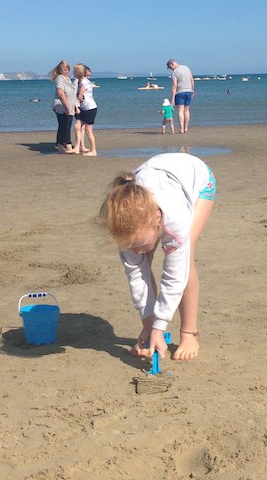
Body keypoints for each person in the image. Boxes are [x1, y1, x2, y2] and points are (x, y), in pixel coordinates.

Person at [98, 153, 216, 361]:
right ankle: (149, 329)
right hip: (158, 178)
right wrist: (149, 325)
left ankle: (189, 332)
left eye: (141, 244)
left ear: (157, 220)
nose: (136, 251)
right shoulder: (124, 228)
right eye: (131, 246)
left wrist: (160, 327)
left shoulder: (175, 222)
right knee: (142, 264)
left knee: (185, 259)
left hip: (197, 180)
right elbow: (137, 277)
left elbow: (173, 278)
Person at [49, 60, 78, 154]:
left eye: (67, 68)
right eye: (63, 68)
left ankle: (63, 144)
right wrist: (66, 107)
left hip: (70, 105)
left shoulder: (68, 79)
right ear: (60, 70)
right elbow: (60, 93)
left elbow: (73, 92)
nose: (65, 70)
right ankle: (65, 145)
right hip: (61, 106)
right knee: (64, 126)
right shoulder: (60, 78)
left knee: (66, 126)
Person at [72, 63, 98, 156]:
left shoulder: (83, 82)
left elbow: (79, 96)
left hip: (90, 108)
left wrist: (77, 97)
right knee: (77, 127)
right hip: (84, 109)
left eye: (75, 71)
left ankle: (93, 150)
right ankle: (77, 147)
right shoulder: (80, 81)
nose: (73, 73)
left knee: (88, 130)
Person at [166, 59, 194, 134]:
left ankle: (181, 129)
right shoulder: (186, 67)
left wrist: (172, 99)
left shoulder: (175, 72)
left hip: (180, 92)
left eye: (170, 67)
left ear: (172, 64)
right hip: (188, 91)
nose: (170, 69)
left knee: (181, 110)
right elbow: (191, 79)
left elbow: (174, 86)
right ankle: (186, 128)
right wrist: (192, 90)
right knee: (187, 110)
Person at [73, 65, 92, 153]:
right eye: (87, 75)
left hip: (83, 106)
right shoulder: (78, 82)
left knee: (83, 127)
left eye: (89, 76)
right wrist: (76, 107)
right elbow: (74, 95)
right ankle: (80, 146)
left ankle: (81, 145)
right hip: (78, 106)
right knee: (79, 127)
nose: (88, 77)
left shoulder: (84, 81)